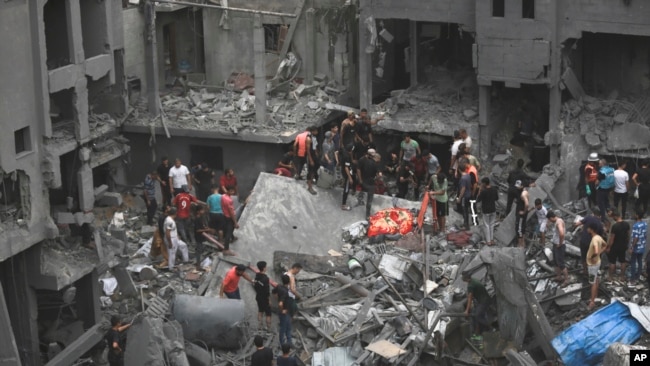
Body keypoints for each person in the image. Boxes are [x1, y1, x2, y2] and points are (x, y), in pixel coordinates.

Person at [574, 208, 604, 274]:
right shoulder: (600, 224)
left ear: (593, 213)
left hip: (584, 242)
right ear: (599, 216)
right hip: (592, 244)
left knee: (584, 257)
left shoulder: (588, 218)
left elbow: (577, 224)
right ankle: (591, 274)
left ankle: (585, 272)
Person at [462, 272, 490, 340]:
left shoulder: (471, 285)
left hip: (484, 301)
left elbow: (470, 298)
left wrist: (466, 310)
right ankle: (479, 330)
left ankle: (488, 327)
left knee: (477, 315)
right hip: (483, 299)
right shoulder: (473, 280)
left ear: (466, 279)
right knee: (475, 314)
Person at [586, 222, 606, 310]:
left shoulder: (594, 239)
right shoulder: (598, 237)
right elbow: (605, 245)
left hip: (592, 265)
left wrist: (593, 257)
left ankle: (592, 301)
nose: (587, 229)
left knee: (592, 282)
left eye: (588, 228)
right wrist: (598, 254)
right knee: (596, 278)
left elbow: (596, 251)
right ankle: (595, 295)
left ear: (591, 229)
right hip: (597, 263)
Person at [293, 126, 318, 195]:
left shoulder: (299, 135)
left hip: (300, 153)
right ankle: (310, 185)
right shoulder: (310, 138)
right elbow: (311, 148)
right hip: (308, 155)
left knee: (300, 164)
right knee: (310, 169)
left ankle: (298, 175)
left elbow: (295, 145)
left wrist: (295, 153)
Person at [605, 210, 629, 281]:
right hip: (623, 246)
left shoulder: (615, 226)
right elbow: (628, 235)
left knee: (612, 262)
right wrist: (626, 243)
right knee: (623, 261)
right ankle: (622, 277)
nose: (613, 218)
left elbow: (612, 239)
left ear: (615, 216)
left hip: (615, 246)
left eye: (613, 217)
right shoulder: (626, 224)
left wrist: (608, 247)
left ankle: (610, 277)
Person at [357, 148, 380, 219]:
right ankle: (367, 214)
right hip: (370, 183)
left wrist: (360, 179)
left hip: (364, 180)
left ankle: (360, 199)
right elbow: (378, 175)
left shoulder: (363, 160)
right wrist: (377, 177)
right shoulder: (374, 164)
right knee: (369, 199)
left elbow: (358, 169)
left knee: (362, 190)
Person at [546, 211, 567, 286]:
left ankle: (566, 280)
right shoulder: (556, 221)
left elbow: (561, 234)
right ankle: (559, 276)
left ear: (551, 217)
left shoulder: (559, 222)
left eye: (549, 219)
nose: (550, 221)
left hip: (559, 246)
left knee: (561, 263)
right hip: (556, 245)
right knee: (556, 262)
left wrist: (560, 244)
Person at [476, 177, 498, 246]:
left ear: (485, 183)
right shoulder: (494, 189)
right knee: (492, 225)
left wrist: (479, 191)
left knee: (486, 225)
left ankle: (488, 241)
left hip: (486, 210)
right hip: (493, 209)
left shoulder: (484, 191)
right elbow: (496, 198)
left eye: (482, 183)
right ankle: (491, 239)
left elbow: (478, 200)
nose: (481, 184)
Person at [629, 210, 648, 286]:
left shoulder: (635, 225)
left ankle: (632, 279)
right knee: (640, 262)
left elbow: (635, 238)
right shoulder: (645, 224)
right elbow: (645, 235)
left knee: (633, 262)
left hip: (636, 247)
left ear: (637, 215)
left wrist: (632, 247)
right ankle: (637, 277)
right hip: (642, 246)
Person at [276, 274, 295, 347]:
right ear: (289, 282)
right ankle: (282, 344)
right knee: (284, 328)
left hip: (286, 312)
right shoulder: (285, 291)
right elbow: (280, 304)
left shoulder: (279, 286)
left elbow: (274, 292)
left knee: (287, 327)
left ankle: (289, 342)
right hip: (285, 312)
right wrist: (282, 310)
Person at [254, 261, 272, 331]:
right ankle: (268, 328)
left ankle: (259, 326)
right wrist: (269, 300)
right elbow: (267, 291)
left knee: (260, 311)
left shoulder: (257, 276)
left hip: (258, 297)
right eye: (266, 266)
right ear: (264, 268)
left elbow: (255, 285)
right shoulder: (266, 278)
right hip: (265, 298)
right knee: (268, 314)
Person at [221, 185, 238, 256]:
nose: (233, 192)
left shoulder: (223, 196)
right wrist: (235, 222)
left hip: (225, 215)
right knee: (229, 232)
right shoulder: (229, 200)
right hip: (229, 217)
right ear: (227, 191)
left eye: (233, 191)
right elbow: (231, 212)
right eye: (231, 191)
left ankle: (233, 237)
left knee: (228, 230)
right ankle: (226, 249)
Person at [339, 145, 356, 211]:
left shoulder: (344, 152)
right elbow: (346, 168)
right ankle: (343, 205)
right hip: (347, 174)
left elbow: (337, 152)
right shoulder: (347, 157)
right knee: (346, 189)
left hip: (345, 171)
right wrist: (350, 178)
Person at [457, 163, 472, 230]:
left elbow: (463, 188)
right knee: (466, 210)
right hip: (469, 194)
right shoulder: (468, 176)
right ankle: (466, 224)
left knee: (464, 210)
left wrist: (459, 198)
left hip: (465, 196)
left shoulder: (463, 178)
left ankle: (466, 225)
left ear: (459, 170)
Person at [514, 180, 529, 247]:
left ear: (522, 186)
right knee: (522, 228)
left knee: (519, 229)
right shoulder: (525, 191)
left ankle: (520, 245)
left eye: (518, 186)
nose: (517, 188)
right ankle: (523, 244)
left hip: (521, 215)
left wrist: (524, 212)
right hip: (522, 214)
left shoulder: (523, 194)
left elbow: (527, 204)